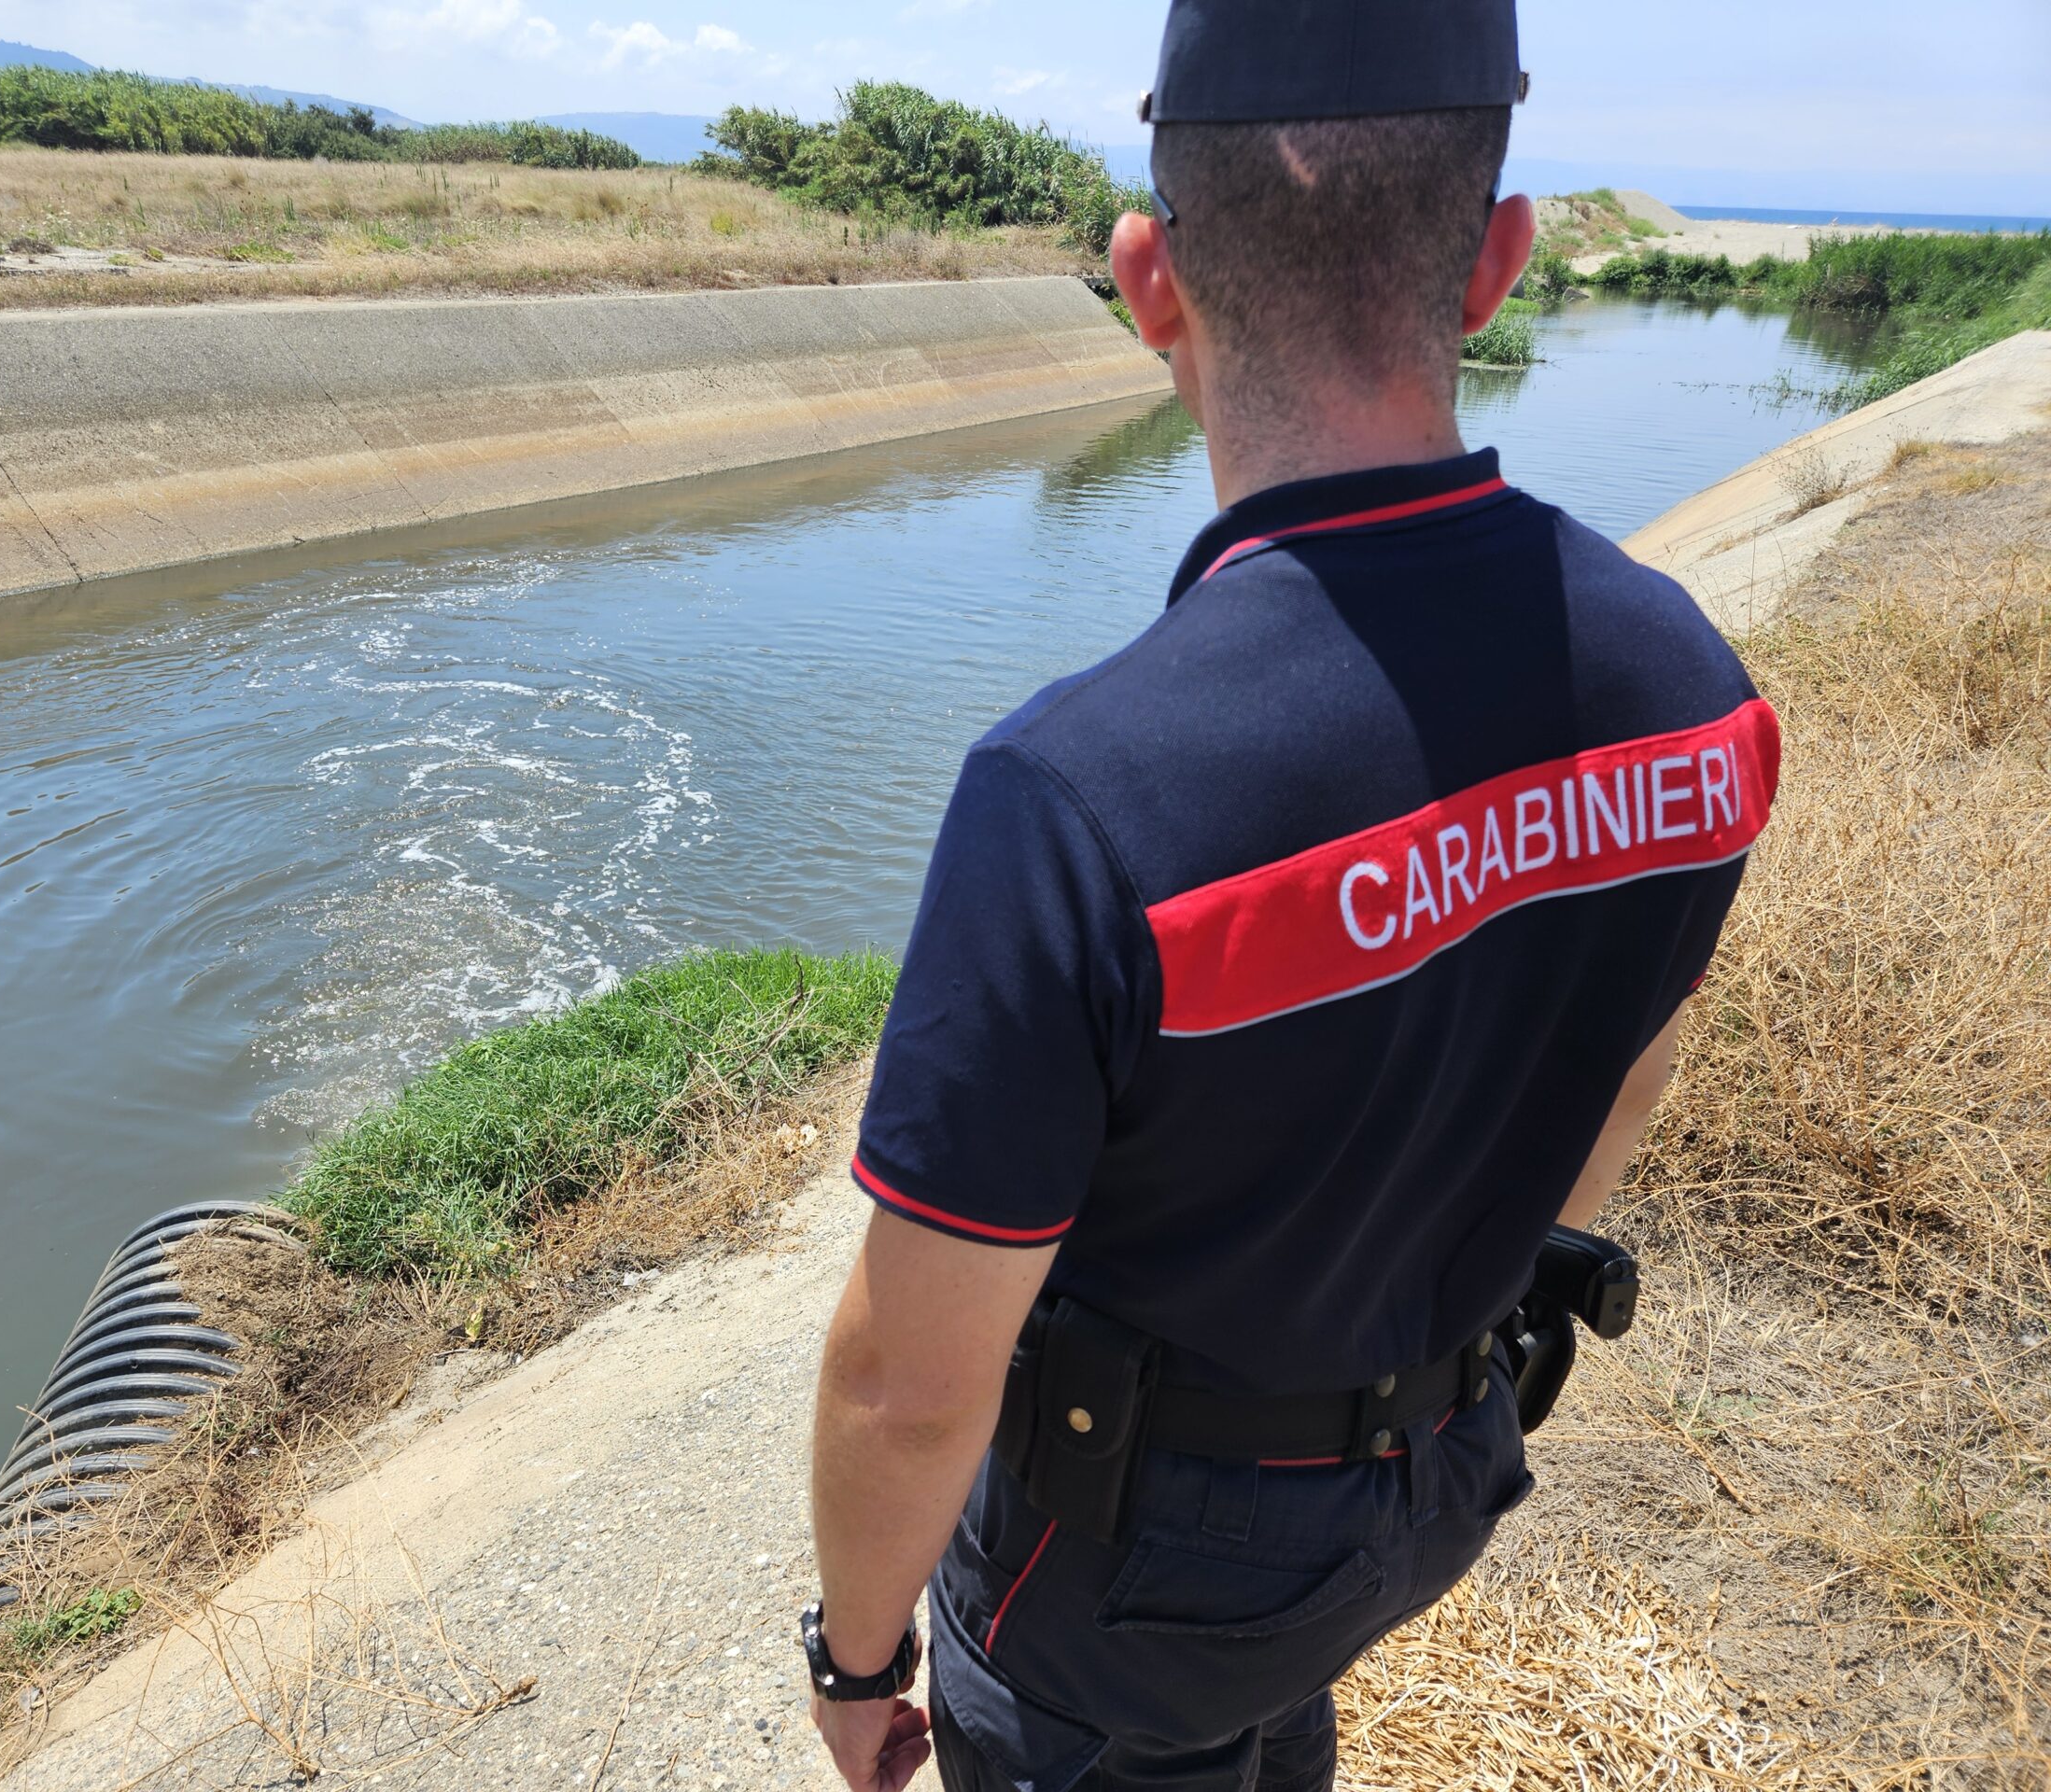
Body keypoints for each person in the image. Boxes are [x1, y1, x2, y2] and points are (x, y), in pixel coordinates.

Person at [797, 2, 1783, 1788]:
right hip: (1435, 1479)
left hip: (1135, 1588)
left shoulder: (1078, 805)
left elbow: (909, 1387)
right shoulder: (1698, 699)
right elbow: (1627, 1056)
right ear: (1494, 261)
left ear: (1146, 278)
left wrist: (854, 1658)